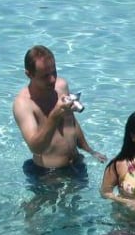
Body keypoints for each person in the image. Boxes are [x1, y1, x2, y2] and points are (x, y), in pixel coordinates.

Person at [12, 45, 106, 184]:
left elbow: (72, 123)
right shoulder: (23, 104)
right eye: (45, 76)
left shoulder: (61, 86)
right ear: (29, 74)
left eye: (54, 72)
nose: (52, 80)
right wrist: (54, 116)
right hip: (49, 174)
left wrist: (90, 151)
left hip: (75, 164)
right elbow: (35, 148)